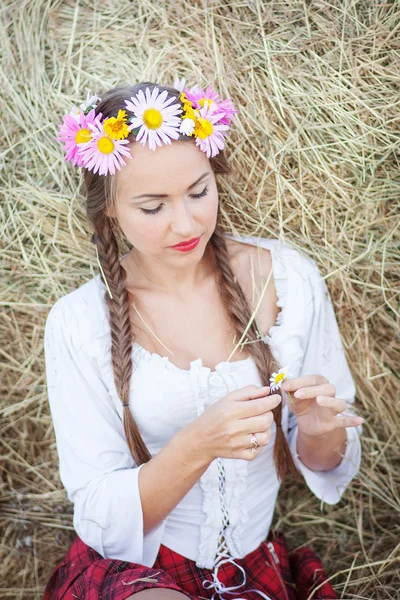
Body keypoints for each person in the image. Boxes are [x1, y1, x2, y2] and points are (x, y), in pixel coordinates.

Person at [42, 78, 364, 600]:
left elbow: (328, 462)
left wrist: (319, 430)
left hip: (249, 564)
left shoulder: (289, 280)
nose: (187, 222)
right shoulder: (78, 323)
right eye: (153, 207)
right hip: (134, 567)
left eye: (198, 192)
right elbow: (99, 510)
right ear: (110, 210)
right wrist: (196, 445)